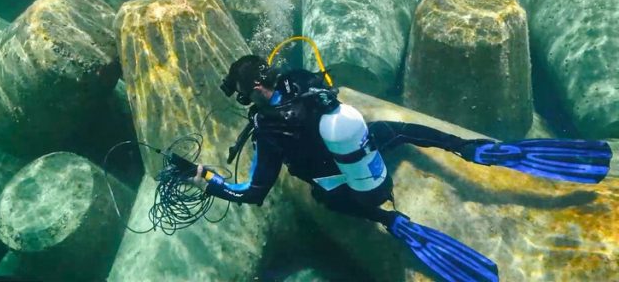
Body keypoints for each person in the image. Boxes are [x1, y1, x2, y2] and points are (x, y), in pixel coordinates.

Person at [189, 54, 613, 282]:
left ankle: (392, 221)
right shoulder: (299, 78)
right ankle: (473, 149)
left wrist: (207, 180)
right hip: (367, 145)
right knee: (403, 130)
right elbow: (328, 91)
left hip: (349, 187)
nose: (247, 103)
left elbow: (252, 193)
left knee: (324, 194)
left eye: (246, 96)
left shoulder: (267, 133)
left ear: (255, 90)